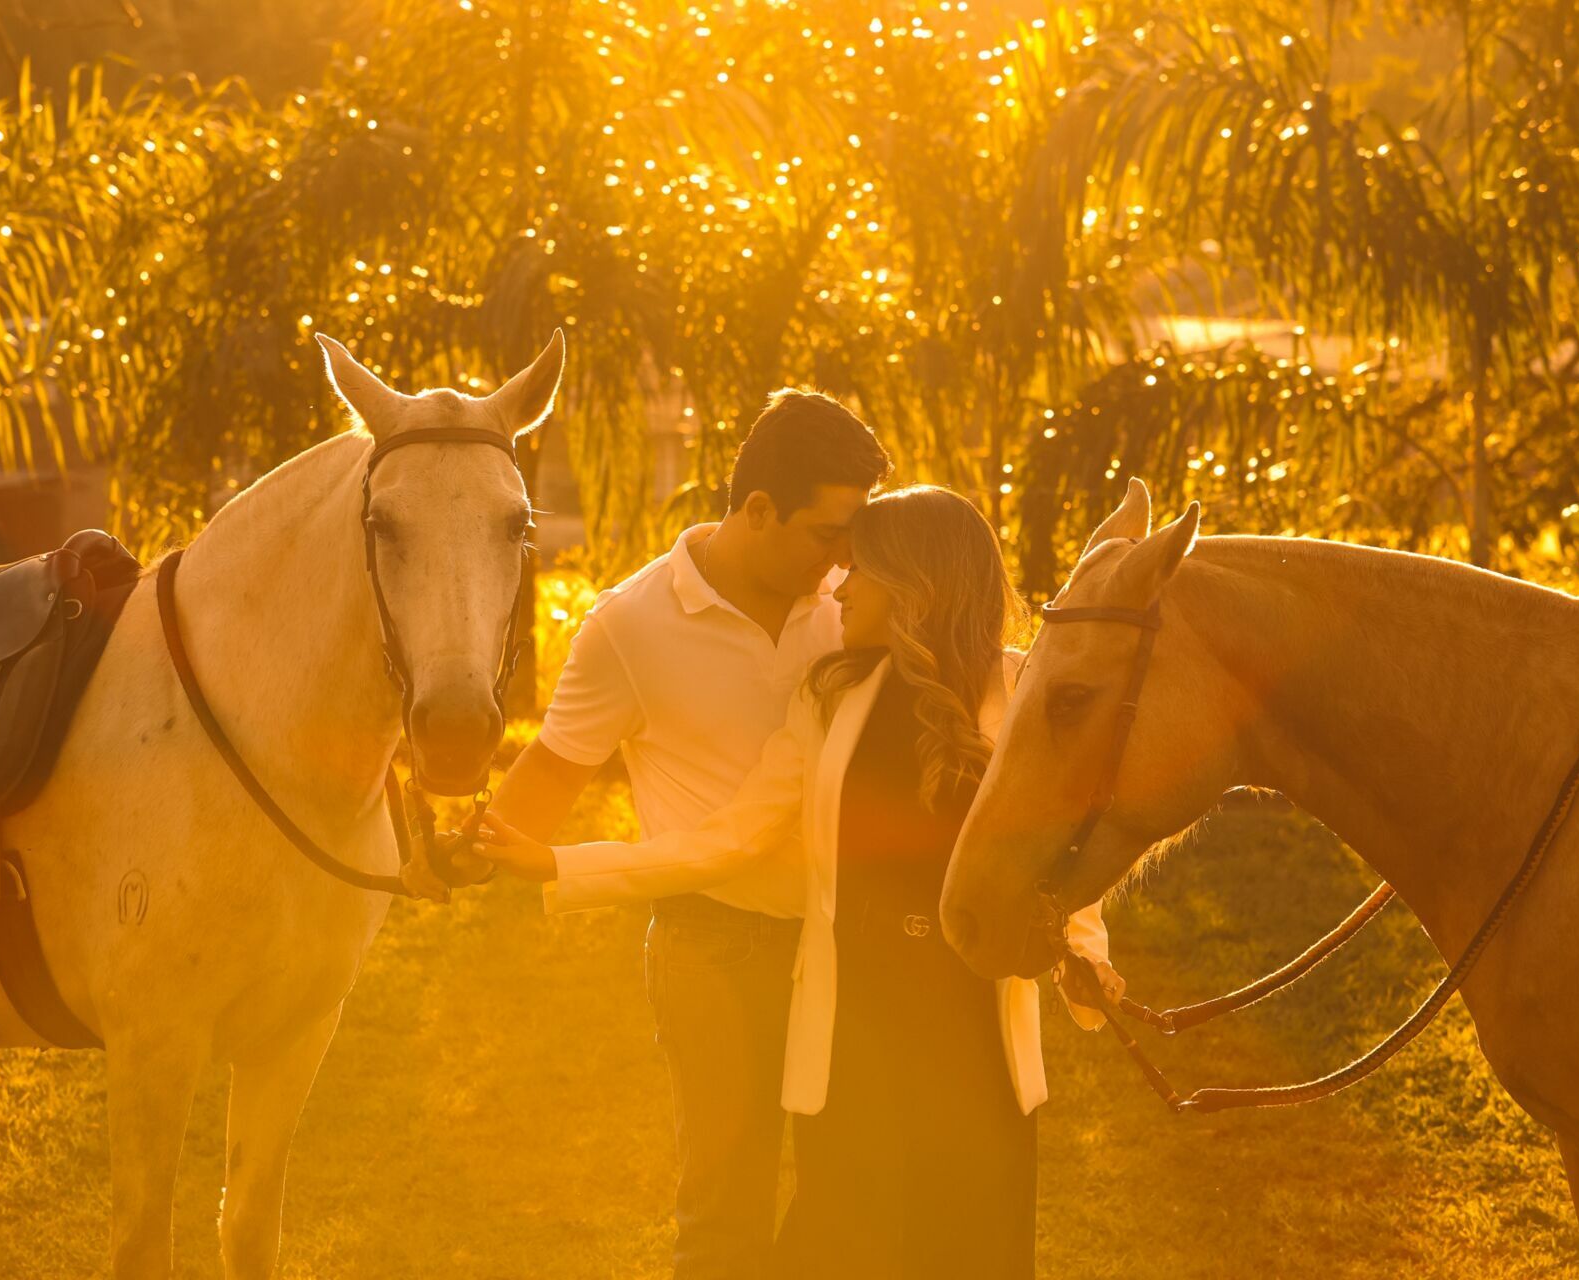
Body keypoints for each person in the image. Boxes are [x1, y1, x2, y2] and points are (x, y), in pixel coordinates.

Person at [477, 486, 1120, 1278]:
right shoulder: (831, 699)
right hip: (854, 1040)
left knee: (972, 1253)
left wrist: (1087, 956)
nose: (838, 588)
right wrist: (560, 863)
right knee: (844, 1249)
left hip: (976, 1042)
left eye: (861, 574)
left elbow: (1060, 845)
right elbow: (730, 838)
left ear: (918, 587)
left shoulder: (1023, 691)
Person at [478, 389, 890, 1279]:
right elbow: (558, 763)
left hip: (848, 942)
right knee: (726, 1218)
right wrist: (481, 852)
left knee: (851, 1201)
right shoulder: (630, 626)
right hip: (715, 953)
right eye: (830, 533)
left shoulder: (848, 606)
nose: (845, 561)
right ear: (757, 510)